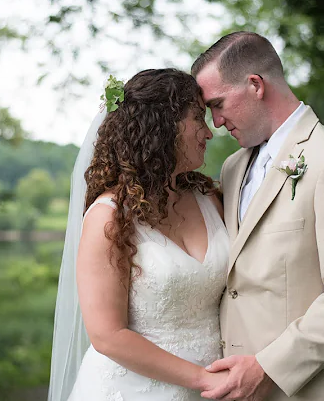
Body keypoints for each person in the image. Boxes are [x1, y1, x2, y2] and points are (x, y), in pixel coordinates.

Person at [191, 31, 324, 401]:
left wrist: (268, 367)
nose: (215, 122)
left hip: (313, 389)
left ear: (255, 85)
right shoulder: (233, 168)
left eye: (218, 104)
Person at [48, 68, 231, 401]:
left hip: (219, 386)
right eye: (197, 119)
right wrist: (203, 380)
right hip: (131, 389)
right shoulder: (110, 218)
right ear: (162, 127)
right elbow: (107, 335)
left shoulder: (211, 200)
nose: (209, 133)